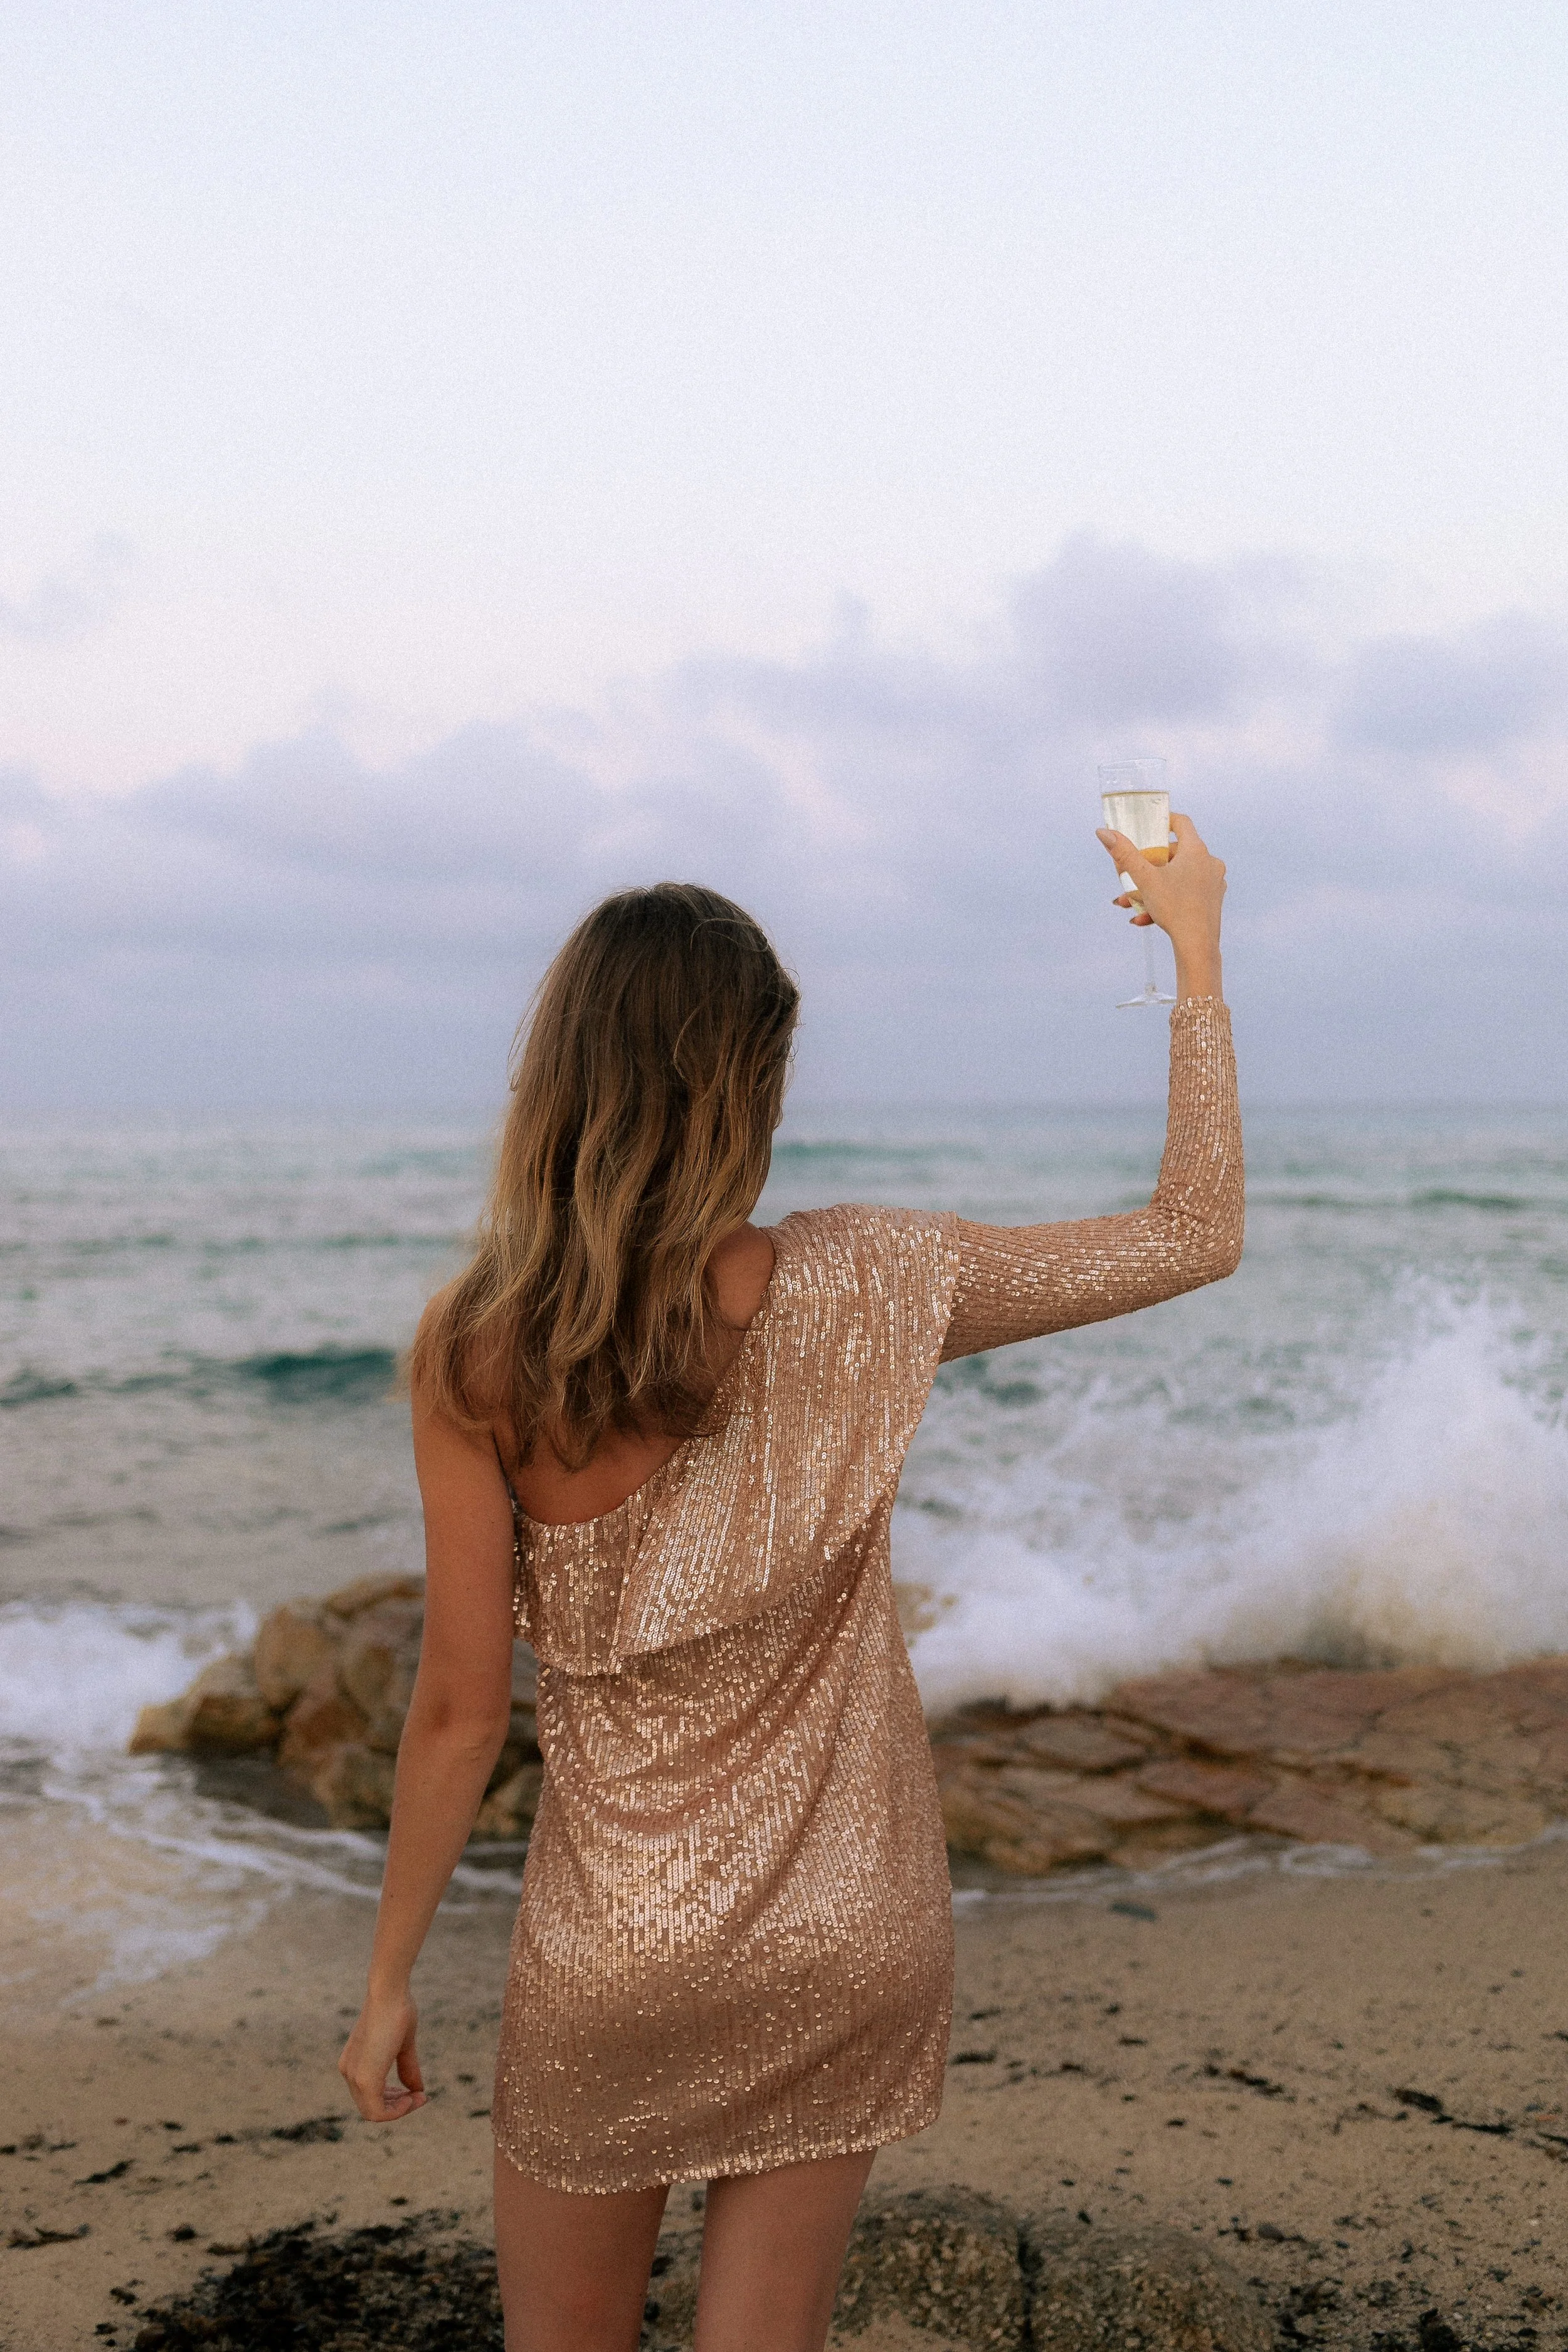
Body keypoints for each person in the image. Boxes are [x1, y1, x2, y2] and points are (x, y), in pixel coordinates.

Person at [339, 813, 1241, 2352]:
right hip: (847, 1924)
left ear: (561, 1080)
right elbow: (1192, 1233)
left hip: (609, 1953)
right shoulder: (874, 1278)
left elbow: (455, 1710)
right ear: (746, 1087)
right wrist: (1195, 953)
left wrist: (386, 1984)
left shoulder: (480, 1348)